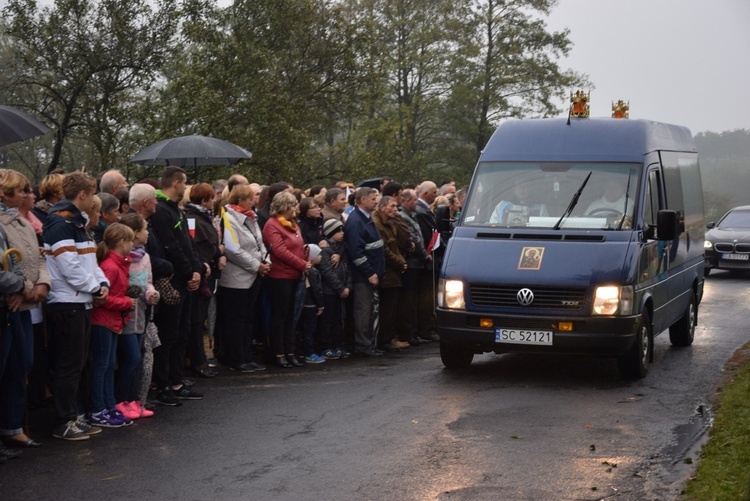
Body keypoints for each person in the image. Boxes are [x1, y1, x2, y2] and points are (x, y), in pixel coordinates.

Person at [44, 171, 109, 441]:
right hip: (66, 302)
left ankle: (73, 415)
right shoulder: (61, 224)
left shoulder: (79, 225)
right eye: (91, 194)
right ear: (82, 194)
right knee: (68, 365)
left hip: (81, 301)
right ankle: (64, 420)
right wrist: (95, 288)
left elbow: (90, 263)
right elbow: (69, 268)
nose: (93, 198)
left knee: (78, 363)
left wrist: (102, 282)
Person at [0, 170, 50, 452]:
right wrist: (21, 287)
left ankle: (13, 425)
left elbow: (35, 257)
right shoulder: (3, 223)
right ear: (5, 194)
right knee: (9, 367)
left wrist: (41, 283)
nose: (26, 195)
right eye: (20, 191)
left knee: (22, 365)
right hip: (12, 301)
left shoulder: (26, 222)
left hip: (25, 300)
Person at [149, 167, 204, 406]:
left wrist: (198, 269)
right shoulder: (162, 211)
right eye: (185, 183)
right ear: (176, 183)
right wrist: (187, 271)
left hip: (186, 279)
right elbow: (171, 246)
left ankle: (176, 380)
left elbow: (188, 244)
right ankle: (163, 385)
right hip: (173, 282)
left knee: (182, 333)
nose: (186, 188)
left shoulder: (176, 210)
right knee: (168, 335)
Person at [216, 184, 270, 373]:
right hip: (237, 278)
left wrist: (266, 260)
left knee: (248, 319)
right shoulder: (229, 217)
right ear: (239, 200)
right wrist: (257, 266)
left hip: (253, 275)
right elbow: (233, 249)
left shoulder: (251, 217)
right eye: (248, 198)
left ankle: (247, 356)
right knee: (236, 320)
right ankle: (235, 358)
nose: (252, 201)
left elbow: (259, 243)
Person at [89, 223, 136, 428]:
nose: (133, 244)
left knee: (108, 366)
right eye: (130, 240)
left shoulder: (118, 264)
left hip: (112, 320)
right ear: (122, 242)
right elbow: (104, 298)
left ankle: (108, 405)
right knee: (101, 366)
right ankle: (98, 408)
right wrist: (127, 302)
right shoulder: (110, 265)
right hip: (103, 320)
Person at [262, 191, 311, 368]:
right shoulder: (272, 225)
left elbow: (301, 246)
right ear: (284, 206)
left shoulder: (293, 224)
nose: (296, 208)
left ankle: (291, 351)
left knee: (292, 316)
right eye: (293, 205)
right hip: (280, 276)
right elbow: (280, 251)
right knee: (280, 316)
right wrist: (301, 264)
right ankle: (279, 352)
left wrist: (307, 260)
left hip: (296, 275)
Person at [117, 213, 158, 420]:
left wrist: (150, 293)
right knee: (130, 357)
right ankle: (121, 400)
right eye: (144, 229)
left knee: (137, 358)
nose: (148, 232)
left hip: (140, 313)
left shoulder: (144, 256)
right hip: (124, 315)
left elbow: (146, 281)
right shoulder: (119, 257)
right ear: (135, 234)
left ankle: (133, 400)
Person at [183, 183, 223, 378]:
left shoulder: (202, 217)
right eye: (211, 197)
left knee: (199, 319)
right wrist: (216, 253)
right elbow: (198, 246)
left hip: (207, 271)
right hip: (200, 273)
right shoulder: (193, 219)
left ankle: (198, 359)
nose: (214, 201)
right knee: (197, 320)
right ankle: (198, 361)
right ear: (204, 200)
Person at [344, 187, 385, 357]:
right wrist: (369, 273)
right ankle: (363, 345)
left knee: (369, 311)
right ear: (361, 200)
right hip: (363, 277)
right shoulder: (355, 221)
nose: (376, 201)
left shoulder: (366, 218)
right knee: (363, 311)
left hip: (372, 273)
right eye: (373, 199)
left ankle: (370, 343)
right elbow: (356, 252)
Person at [371, 195, 411, 351]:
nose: (396, 209)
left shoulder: (391, 222)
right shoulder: (378, 224)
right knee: (387, 309)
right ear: (382, 207)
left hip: (394, 270)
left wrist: (397, 219)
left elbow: (402, 240)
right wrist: (401, 262)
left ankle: (390, 338)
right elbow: (385, 250)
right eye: (392, 206)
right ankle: (385, 340)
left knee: (392, 307)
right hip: (387, 271)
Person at [317, 219, 352, 360]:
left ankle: (337, 344)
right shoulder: (325, 251)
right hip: (329, 292)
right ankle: (326, 346)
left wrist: (348, 286)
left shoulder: (340, 249)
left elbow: (347, 268)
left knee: (338, 319)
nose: (342, 233)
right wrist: (340, 288)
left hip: (341, 290)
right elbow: (327, 273)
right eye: (338, 231)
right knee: (328, 320)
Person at [298, 244, 325, 363]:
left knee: (303, 329)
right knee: (309, 330)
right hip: (311, 305)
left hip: (304, 304)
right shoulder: (313, 272)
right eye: (319, 254)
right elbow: (316, 290)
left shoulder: (307, 271)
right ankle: (309, 353)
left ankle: (301, 352)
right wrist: (320, 305)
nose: (321, 257)